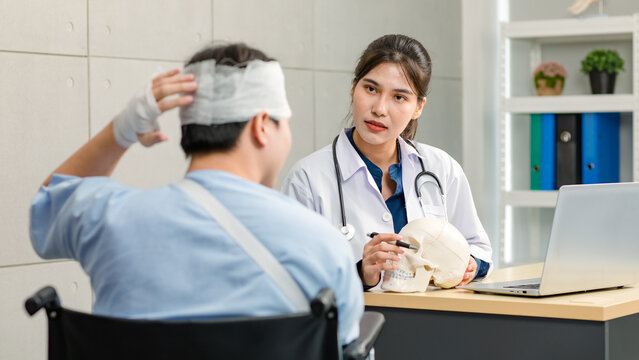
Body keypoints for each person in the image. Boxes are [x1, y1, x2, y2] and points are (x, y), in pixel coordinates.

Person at [29, 43, 363, 345]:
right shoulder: (323, 246)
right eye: (284, 122)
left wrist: (122, 129)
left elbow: (47, 207)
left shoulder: (111, 218)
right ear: (263, 126)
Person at [282, 34, 492, 290]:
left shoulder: (442, 168)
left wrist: (471, 263)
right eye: (371, 89)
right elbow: (292, 279)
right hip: (355, 325)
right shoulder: (308, 178)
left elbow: (479, 247)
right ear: (353, 89)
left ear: (418, 107)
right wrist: (359, 273)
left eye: (399, 97)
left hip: (435, 322)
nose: (380, 108)